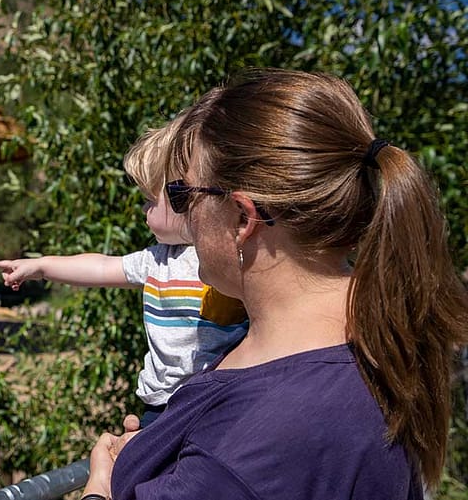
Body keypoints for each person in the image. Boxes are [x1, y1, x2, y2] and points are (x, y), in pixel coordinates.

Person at [80, 69, 468, 500]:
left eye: (182, 194)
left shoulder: (243, 451)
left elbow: (238, 463)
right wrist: (159, 452)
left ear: (244, 219)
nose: (183, 217)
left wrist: (101, 487)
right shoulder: (384, 344)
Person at [0, 111, 248, 427]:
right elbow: (100, 267)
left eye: (150, 201)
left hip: (215, 403)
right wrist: (42, 265)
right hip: (160, 403)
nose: (143, 210)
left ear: (184, 197)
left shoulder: (229, 257)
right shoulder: (156, 260)